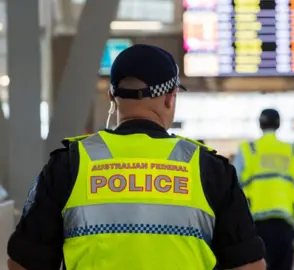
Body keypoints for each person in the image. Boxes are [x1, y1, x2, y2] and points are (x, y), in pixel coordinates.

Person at [7, 44, 265, 270]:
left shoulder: (69, 165)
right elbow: (249, 265)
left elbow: (23, 262)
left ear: (111, 97)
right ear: (170, 98)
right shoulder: (208, 168)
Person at [233, 108, 294, 270]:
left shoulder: (248, 150)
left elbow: (233, 185)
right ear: (279, 124)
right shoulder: (293, 151)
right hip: (285, 219)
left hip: (255, 221)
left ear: (260, 124)